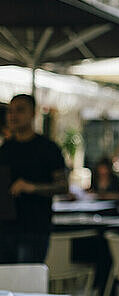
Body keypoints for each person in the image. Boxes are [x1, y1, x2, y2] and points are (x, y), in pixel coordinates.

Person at [0, 94, 68, 263]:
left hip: (34, 228)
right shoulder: (5, 148)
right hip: (5, 228)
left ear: (33, 114)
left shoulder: (48, 148)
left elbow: (63, 186)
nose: (13, 115)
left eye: (20, 110)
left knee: (27, 282)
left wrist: (32, 187)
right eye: (10, 111)